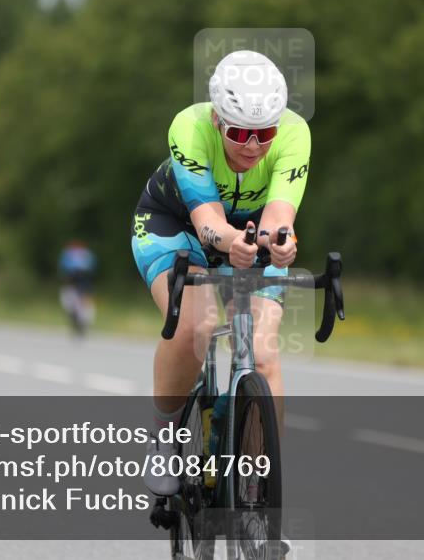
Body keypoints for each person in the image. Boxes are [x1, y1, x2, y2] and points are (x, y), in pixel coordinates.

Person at [130, 50, 309, 498]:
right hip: (178, 228)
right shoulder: (188, 127)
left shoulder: (294, 133)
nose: (253, 145)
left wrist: (279, 244)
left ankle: (259, 490)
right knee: (198, 324)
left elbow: (279, 213)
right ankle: (164, 437)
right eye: (240, 132)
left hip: (246, 233)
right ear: (216, 120)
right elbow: (208, 221)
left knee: (264, 355)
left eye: (264, 133)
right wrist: (235, 245)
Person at [58, 240, 96, 336]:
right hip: (75, 282)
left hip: (80, 282)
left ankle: (81, 322)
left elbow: (63, 267)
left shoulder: (73, 254)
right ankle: (79, 322)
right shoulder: (85, 255)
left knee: (81, 303)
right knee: (72, 303)